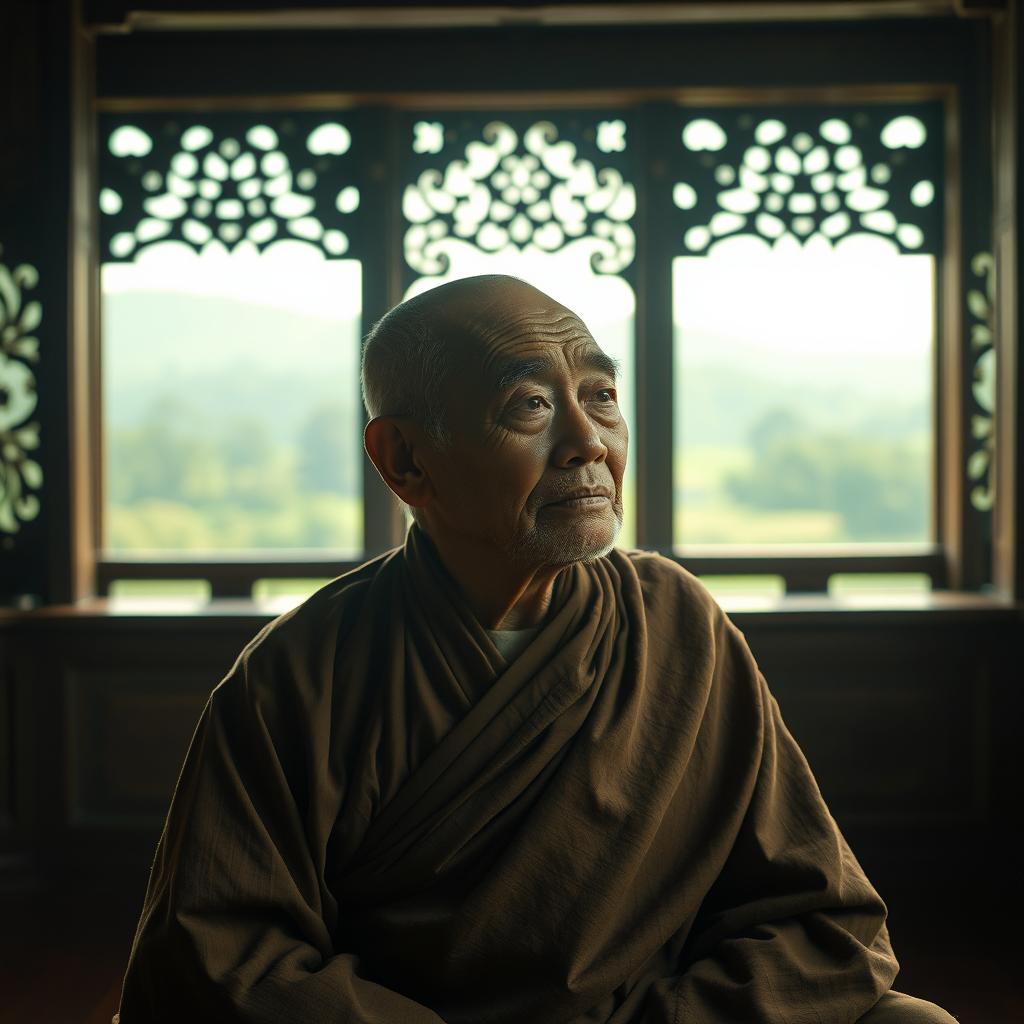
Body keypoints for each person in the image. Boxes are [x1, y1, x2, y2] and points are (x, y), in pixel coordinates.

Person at [113, 275, 956, 1023]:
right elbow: (222, 960)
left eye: (600, 396)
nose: (590, 442)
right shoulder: (299, 675)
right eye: (532, 406)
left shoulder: (677, 626)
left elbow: (816, 912)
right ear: (405, 459)